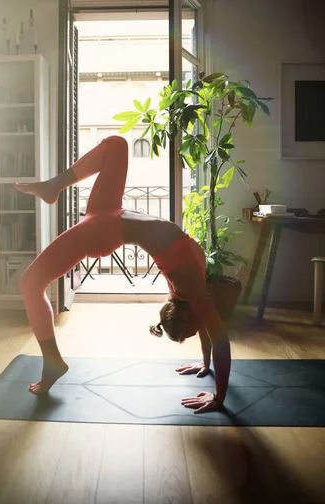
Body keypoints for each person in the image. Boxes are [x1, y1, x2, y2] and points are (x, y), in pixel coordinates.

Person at [16, 135, 231, 414]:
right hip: (108, 218)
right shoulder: (190, 286)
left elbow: (205, 325)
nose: (197, 330)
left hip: (108, 224)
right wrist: (218, 397)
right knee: (116, 145)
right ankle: (53, 185)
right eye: (192, 332)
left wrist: (206, 364)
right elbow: (219, 338)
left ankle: (52, 361)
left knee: (30, 284)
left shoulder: (190, 290)